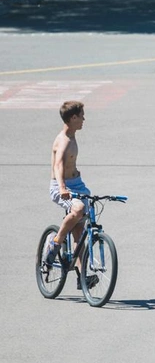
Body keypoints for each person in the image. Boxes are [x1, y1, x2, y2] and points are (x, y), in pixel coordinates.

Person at [45, 101, 94, 289]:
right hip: (61, 187)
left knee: (80, 232)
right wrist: (63, 187)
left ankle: (82, 277)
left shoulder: (72, 135)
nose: (84, 119)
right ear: (73, 118)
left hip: (77, 185)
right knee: (79, 209)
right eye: (82, 115)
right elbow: (58, 165)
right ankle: (55, 243)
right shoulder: (63, 139)